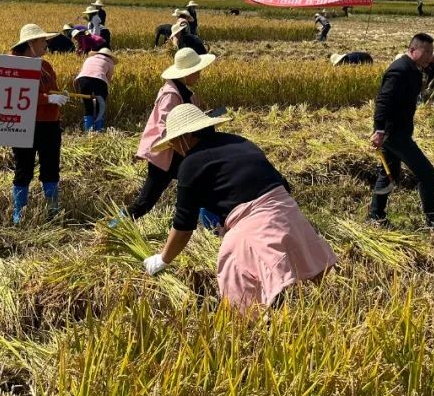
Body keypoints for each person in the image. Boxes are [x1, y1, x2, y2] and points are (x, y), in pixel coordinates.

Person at [142, 105, 336, 310]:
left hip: (256, 222)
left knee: (233, 264)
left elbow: (183, 225)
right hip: (288, 210)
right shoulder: (240, 142)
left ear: (185, 137)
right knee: (296, 272)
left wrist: (163, 259)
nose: (174, 147)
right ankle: (321, 309)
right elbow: (283, 184)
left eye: (173, 142)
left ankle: (247, 323)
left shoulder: (191, 163)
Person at [369, 33, 434, 230]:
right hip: (394, 134)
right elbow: (383, 101)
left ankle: (376, 216)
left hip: (400, 131)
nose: (429, 56)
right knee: (425, 171)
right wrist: (379, 130)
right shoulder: (399, 71)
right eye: (426, 52)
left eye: (432, 52)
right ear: (413, 50)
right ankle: (433, 217)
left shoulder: (414, 70)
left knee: (388, 174)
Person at [125, 47, 216, 220]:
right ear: (186, 73)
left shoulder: (186, 93)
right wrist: (186, 152)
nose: (200, 74)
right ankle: (113, 228)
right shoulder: (171, 95)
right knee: (144, 202)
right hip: (165, 154)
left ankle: (210, 225)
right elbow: (165, 126)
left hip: (179, 151)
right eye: (197, 71)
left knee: (203, 183)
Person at [10, 24, 68, 223]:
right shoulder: (14, 66)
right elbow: (18, 95)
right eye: (42, 41)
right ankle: (20, 213)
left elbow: (52, 90)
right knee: (23, 168)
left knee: (51, 167)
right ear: (30, 43)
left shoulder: (45, 66)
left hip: (50, 124)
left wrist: (59, 95)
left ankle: (53, 209)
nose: (46, 44)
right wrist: (46, 99)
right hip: (25, 124)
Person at [75, 48, 115, 133]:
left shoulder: (89, 59)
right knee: (100, 106)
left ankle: (88, 131)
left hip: (83, 80)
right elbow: (108, 79)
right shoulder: (110, 62)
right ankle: (98, 130)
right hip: (99, 80)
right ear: (109, 56)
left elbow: (84, 71)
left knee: (88, 106)